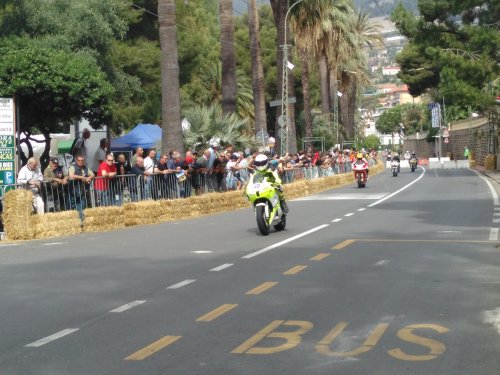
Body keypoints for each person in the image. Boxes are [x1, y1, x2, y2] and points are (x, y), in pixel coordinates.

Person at [68, 155, 94, 220]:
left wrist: (89, 178)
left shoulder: (85, 168)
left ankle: (81, 220)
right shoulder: (72, 167)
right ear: (76, 161)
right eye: (79, 160)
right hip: (73, 190)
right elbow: (71, 176)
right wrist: (82, 177)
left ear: (84, 161)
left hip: (82, 190)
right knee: (72, 206)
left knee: (82, 205)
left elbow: (93, 174)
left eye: (82, 160)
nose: (80, 162)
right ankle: (75, 220)